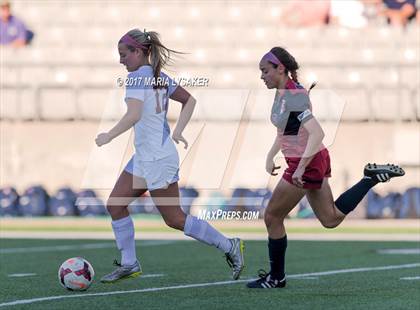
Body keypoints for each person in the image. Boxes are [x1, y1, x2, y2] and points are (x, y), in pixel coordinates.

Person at [246, 47, 405, 289]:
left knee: (272, 216)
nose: (262, 76)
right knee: (330, 219)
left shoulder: (293, 95)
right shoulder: (283, 93)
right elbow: (286, 131)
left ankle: (276, 277)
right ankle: (370, 179)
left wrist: (300, 169)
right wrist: (271, 155)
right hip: (311, 159)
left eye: (265, 71)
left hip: (306, 162)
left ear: (281, 68)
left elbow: (317, 132)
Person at [95, 29, 244, 283]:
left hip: (156, 159)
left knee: (174, 219)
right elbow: (190, 100)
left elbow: (133, 115)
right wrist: (178, 130)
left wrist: (109, 135)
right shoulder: (156, 75)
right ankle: (129, 263)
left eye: (124, 55)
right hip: (146, 157)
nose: (121, 60)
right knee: (115, 205)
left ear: (139, 52)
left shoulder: (137, 78)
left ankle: (229, 245)